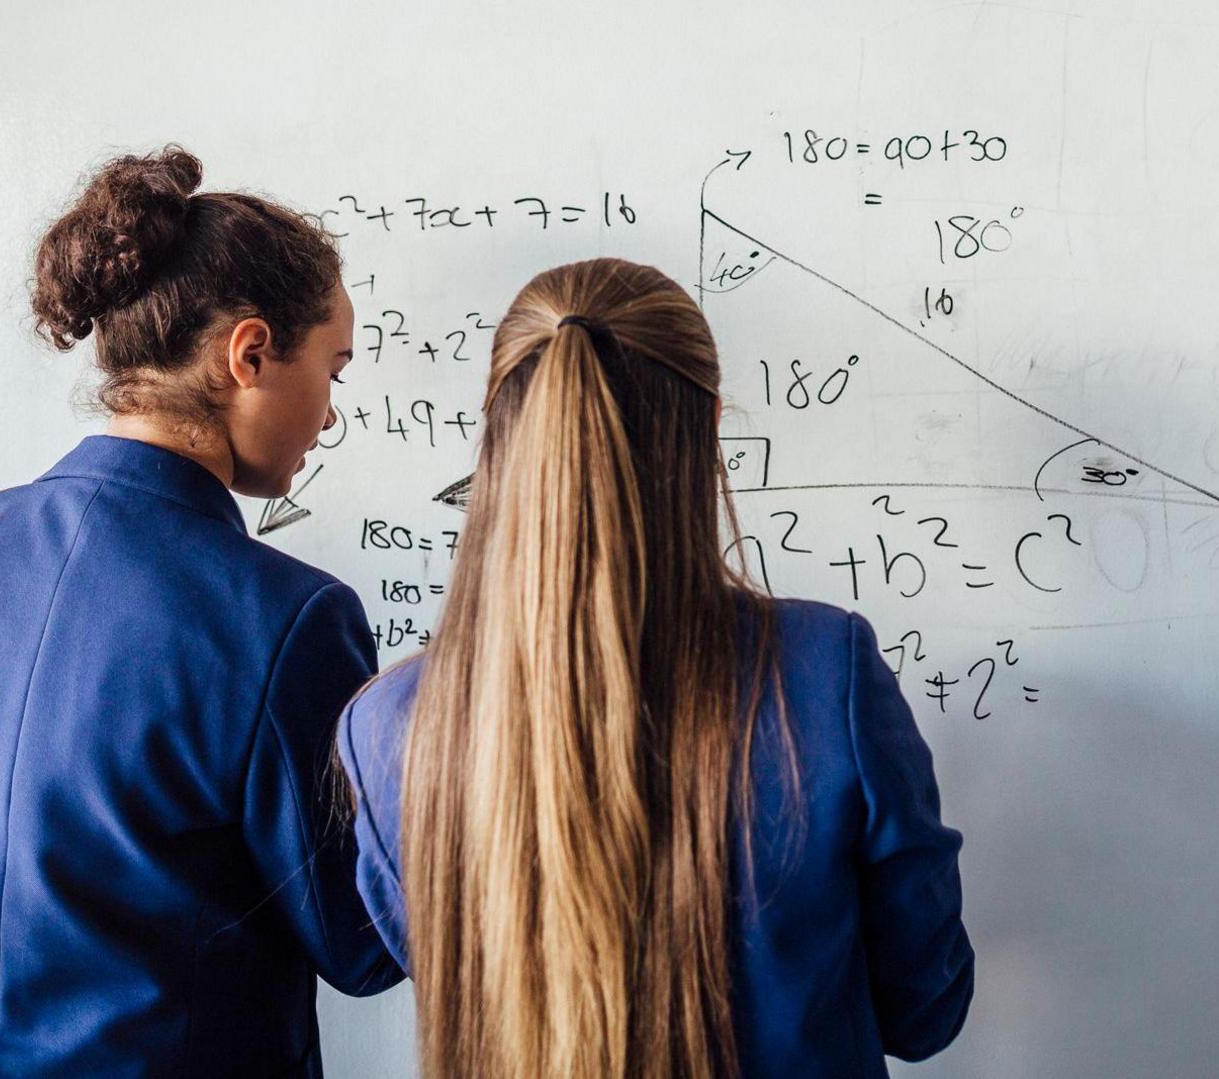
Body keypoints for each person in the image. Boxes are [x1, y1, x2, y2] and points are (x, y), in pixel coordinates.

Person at [337, 257, 973, 1078]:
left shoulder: (389, 728)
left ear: (499, 438)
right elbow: (926, 1009)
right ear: (710, 425)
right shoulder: (829, 676)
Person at [0, 145, 401, 1077]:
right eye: (334, 371)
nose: (331, 416)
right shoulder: (288, 618)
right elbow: (361, 942)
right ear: (250, 353)